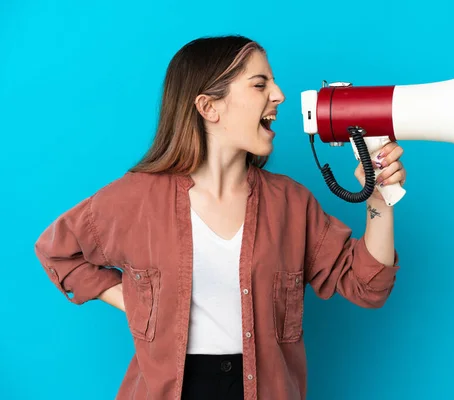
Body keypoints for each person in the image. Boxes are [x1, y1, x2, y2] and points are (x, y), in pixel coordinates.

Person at [34, 35, 406, 400]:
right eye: (260, 84)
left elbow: (367, 286)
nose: (279, 95)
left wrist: (380, 198)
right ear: (209, 107)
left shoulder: (290, 203)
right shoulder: (136, 198)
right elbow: (58, 252)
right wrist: (135, 303)